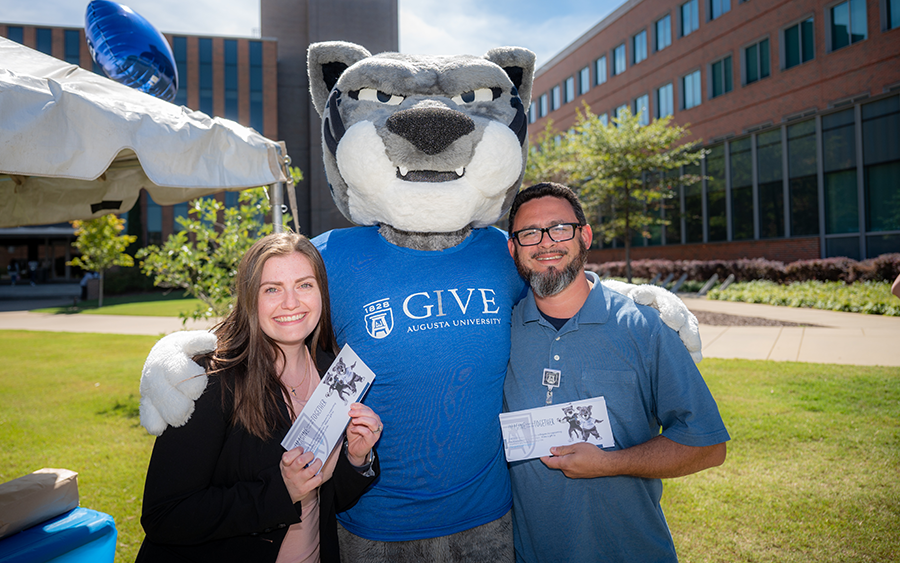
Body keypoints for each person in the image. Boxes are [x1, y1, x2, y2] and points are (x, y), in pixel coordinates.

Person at [503, 183, 730, 563]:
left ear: (585, 235)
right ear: (513, 248)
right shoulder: (500, 331)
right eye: (530, 233)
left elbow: (707, 446)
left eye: (560, 228)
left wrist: (609, 463)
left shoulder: (643, 326)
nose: (546, 242)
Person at [136, 233, 383, 563]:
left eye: (304, 285)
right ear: (250, 297)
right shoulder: (211, 382)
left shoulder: (331, 372)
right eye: (272, 289)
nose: (291, 302)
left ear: (322, 292)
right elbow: (164, 516)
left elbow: (327, 500)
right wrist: (280, 491)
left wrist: (356, 458)